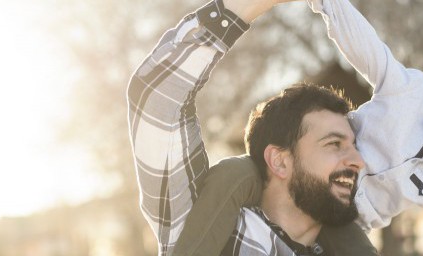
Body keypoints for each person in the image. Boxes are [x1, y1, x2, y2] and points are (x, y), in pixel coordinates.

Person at [167, 0, 423, 255]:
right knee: (234, 172)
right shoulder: (412, 93)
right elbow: (367, 49)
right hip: (305, 173)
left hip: (341, 216)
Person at [127, 0, 378, 255]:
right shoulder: (206, 223)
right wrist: (242, 7)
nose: (358, 160)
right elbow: (157, 96)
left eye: (353, 146)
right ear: (280, 162)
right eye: (334, 144)